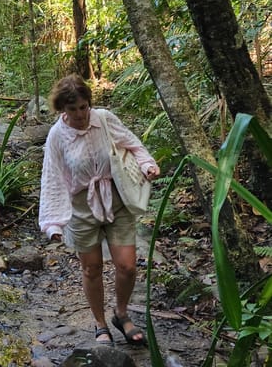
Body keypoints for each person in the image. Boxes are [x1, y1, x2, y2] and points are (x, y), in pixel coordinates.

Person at [39, 74, 160, 346]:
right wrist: (53, 222)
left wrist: (146, 164)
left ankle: (121, 313)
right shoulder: (57, 135)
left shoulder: (104, 119)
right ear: (62, 110)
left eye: (84, 107)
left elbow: (132, 144)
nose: (81, 114)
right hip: (81, 207)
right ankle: (100, 323)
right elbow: (52, 177)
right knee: (91, 269)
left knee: (127, 266)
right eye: (73, 109)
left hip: (117, 199)